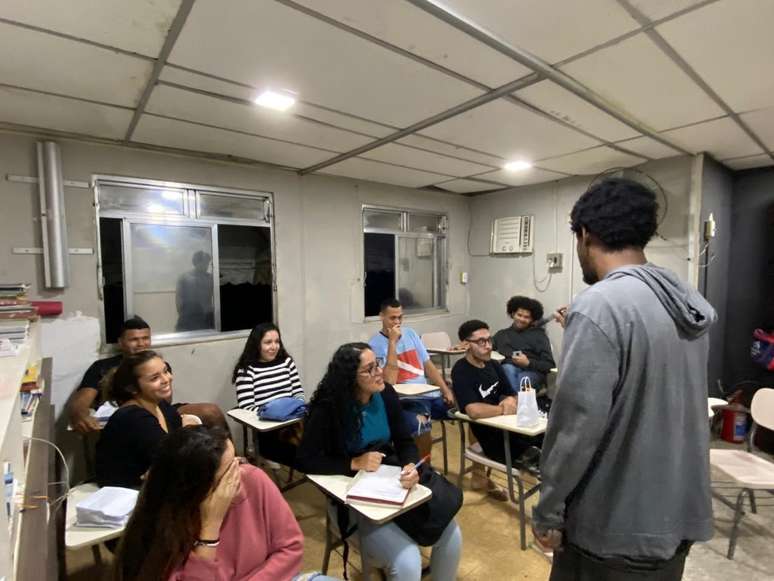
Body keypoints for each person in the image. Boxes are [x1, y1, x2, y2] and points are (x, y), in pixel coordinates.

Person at [532, 178, 717, 580]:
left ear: (585, 234)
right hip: (674, 514)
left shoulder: (600, 305)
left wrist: (548, 510)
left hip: (613, 528)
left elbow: (575, 430)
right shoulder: (685, 299)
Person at [297, 343, 462, 581]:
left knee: (452, 534)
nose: (379, 373)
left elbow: (404, 441)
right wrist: (353, 462)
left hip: (391, 487)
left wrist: (409, 465)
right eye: (369, 369)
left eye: (378, 364)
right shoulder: (328, 408)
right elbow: (306, 460)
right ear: (349, 378)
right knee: (408, 561)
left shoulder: (385, 394)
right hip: (352, 502)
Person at [114, 426, 332, 581]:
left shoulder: (253, 479)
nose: (239, 472)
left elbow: (290, 546)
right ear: (196, 487)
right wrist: (210, 527)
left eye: (236, 459)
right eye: (227, 472)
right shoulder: (166, 526)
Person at [67, 315, 226, 433]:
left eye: (145, 338)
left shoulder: (157, 364)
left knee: (210, 411)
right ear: (121, 343)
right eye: (134, 339)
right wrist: (80, 414)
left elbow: (164, 402)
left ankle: (232, 461)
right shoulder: (102, 367)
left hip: (160, 410)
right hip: (118, 418)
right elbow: (82, 400)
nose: (141, 344)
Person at [452, 320, 542, 475]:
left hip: (511, 428)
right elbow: (474, 411)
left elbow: (513, 395)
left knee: (553, 443)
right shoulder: (461, 371)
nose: (488, 346)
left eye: (489, 340)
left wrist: (511, 401)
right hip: (494, 440)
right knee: (546, 462)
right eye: (481, 342)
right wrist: (503, 408)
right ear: (466, 344)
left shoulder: (494, 365)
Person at [368, 299, 454, 455]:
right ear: (381, 317)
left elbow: (428, 365)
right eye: (392, 318)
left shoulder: (411, 334)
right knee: (420, 424)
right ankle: (423, 469)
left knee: (466, 408)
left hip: (427, 393)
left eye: (400, 317)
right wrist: (392, 343)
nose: (397, 322)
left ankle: (478, 469)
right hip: (404, 399)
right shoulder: (375, 344)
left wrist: (445, 389)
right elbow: (389, 382)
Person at [96, 350, 192, 488]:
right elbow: (175, 457)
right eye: (155, 378)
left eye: (165, 371)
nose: (166, 379)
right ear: (132, 388)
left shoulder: (161, 404)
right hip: (127, 496)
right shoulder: (133, 417)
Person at [233, 323, 304, 466]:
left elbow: (298, 394)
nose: (274, 347)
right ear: (257, 344)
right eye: (268, 342)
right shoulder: (247, 369)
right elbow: (246, 406)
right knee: (306, 455)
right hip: (268, 433)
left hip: (293, 423)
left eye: (277, 341)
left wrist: (291, 412)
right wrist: (273, 415)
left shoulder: (287, 362)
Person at [493, 296, 555, 392]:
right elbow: (485, 347)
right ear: (513, 314)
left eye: (527, 317)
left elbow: (549, 365)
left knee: (524, 379)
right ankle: (517, 402)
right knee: (507, 369)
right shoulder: (501, 334)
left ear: (532, 319)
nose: (522, 319)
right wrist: (468, 343)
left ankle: (514, 402)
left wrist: (528, 363)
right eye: (519, 315)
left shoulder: (539, 336)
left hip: (532, 371)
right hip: (509, 368)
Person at [176, 250, 215, 332]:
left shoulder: (211, 278)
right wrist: (183, 316)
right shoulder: (185, 277)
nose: (207, 266)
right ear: (196, 262)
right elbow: (179, 298)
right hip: (189, 317)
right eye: (204, 263)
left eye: (207, 263)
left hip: (207, 317)